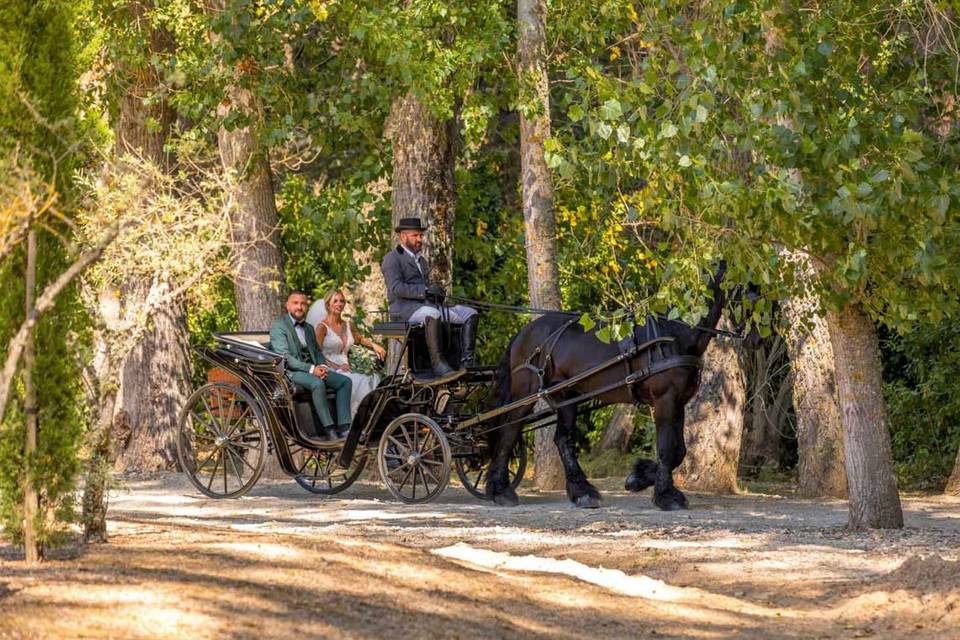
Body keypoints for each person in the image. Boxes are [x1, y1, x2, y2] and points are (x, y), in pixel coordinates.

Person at [380, 217, 478, 380]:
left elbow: (428, 288)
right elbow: (396, 288)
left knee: (470, 313)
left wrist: (437, 292)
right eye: (415, 236)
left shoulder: (422, 261)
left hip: (427, 306)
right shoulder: (392, 258)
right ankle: (437, 363)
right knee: (433, 314)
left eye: (420, 236)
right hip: (404, 309)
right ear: (403, 236)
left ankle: (466, 362)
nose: (419, 239)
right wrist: (425, 291)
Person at [269, 290, 352, 441]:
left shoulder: (307, 328)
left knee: (345, 382)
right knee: (317, 383)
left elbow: (316, 351)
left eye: (303, 304)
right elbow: (285, 357)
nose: (299, 307)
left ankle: (345, 427)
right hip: (291, 372)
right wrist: (312, 369)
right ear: (287, 305)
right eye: (295, 303)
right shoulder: (279, 326)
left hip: (313, 369)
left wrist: (322, 366)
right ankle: (329, 429)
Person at [314, 289, 386, 416]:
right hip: (330, 368)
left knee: (373, 377)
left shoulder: (348, 325)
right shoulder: (322, 327)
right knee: (359, 380)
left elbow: (359, 339)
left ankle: (372, 416)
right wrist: (338, 367)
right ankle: (357, 418)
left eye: (342, 301)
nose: (339, 304)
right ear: (328, 305)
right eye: (335, 301)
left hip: (348, 366)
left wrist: (375, 346)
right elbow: (317, 354)